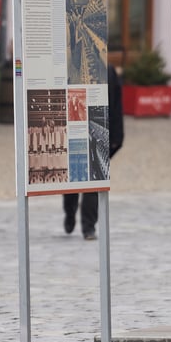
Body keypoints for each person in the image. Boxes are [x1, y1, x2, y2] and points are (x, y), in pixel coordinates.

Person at [63, 64, 124, 240]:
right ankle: (69, 212)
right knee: (73, 177)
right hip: (74, 128)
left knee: (93, 181)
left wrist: (117, 136)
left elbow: (116, 104)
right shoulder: (69, 68)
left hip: (99, 131)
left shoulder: (108, 70)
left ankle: (89, 226)